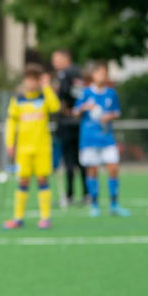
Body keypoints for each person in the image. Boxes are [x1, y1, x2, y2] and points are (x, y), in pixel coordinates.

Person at [3, 64, 61, 229]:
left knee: (43, 180)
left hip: (42, 148)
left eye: (34, 80)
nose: (30, 83)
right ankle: (18, 218)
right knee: (23, 181)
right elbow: (11, 122)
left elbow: (55, 107)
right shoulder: (18, 99)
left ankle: (45, 218)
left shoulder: (44, 97)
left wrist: (47, 87)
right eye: (28, 80)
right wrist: (9, 143)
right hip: (23, 149)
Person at [73, 62, 128, 217]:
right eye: (99, 73)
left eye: (104, 73)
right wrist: (85, 107)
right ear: (93, 75)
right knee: (92, 170)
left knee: (113, 168)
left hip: (106, 138)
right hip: (89, 139)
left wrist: (108, 116)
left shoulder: (111, 93)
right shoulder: (84, 93)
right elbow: (75, 112)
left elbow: (117, 112)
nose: (102, 76)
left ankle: (114, 203)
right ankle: (95, 204)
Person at [52, 49, 87, 204]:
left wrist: (68, 109)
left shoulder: (68, 74)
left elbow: (70, 96)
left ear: (66, 58)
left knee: (71, 161)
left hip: (69, 123)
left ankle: (71, 195)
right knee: (78, 161)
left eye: (57, 58)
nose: (54, 62)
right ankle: (85, 194)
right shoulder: (75, 73)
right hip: (75, 122)